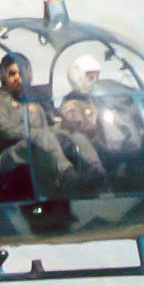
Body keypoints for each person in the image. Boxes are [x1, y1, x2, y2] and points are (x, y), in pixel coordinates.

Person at [0, 54, 78, 200]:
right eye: (12, 73)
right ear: (3, 76)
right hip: (9, 156)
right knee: (42, 137)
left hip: (37, 150)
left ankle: (92, 175)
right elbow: (4, 131)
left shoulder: (33, 104)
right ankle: (67, 173)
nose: (18, 78)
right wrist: (35, 134)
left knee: (71, 136)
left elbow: (47, 131)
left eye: (21, 73)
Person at [57, 55, 107, 191]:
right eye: (90, 78)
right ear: (77, 77)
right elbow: (76, 125)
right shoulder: (71, 101)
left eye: (97, 78)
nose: (95, 82)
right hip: (76, 139)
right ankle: (96, 171)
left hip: (94, 138)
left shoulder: (96, 100)